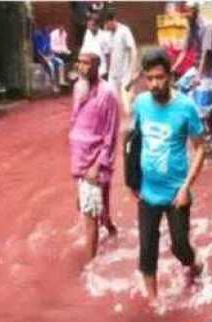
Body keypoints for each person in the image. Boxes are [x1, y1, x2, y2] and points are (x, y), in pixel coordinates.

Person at [130, 48, 206, 299]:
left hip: (176, 193)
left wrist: (186, 188)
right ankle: (153, 303)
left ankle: (194, 264)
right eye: (149, 78)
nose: (154, 84)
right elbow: (135, 141)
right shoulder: (140, 104)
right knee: (147, 251)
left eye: (159, 77)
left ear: (170, 76)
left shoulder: (186, 108)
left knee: (180, 247)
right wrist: (132, 181)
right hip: (147, 192)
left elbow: (200, 149)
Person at [69, 41, 120, 264]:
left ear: (97, 65)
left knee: (89, 218)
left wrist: (97, 165)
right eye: (79, 62)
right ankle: (112, 230)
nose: (81, 67)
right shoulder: (78, 88)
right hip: (79, 160)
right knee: (92, 207)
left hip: (94, 164)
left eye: (86, 63)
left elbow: (111, 134)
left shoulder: (108, 93)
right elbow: (76, 121)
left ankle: (89, 269)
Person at [171, 1, 212, 86]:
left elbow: (205, 54)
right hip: (197, 68)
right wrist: (174, 67)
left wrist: (198, 76)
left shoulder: (206, 27)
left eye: (188, 12)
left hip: (208, 71)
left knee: (200, 94)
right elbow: (184, 51)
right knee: (179, 85)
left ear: (195, 11)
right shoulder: (191, 26)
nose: (186, 16)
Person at [104, 11, 138, 114]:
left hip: (125, 72)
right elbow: (109, 53)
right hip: (113, 72)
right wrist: (107, 69)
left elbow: (133, 50)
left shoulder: (124, 31)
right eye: (105, 25)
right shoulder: (108, 33)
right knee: (110, 97)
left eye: (107, 24)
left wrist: (133, 70)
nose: (106, 27)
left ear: (113, 20)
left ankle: (132, 121)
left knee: (126, 100)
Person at [32, 26, 67, 92]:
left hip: (50, 56)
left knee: (61, 62)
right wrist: (45, 58)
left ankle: (61, 80)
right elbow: (38, 51)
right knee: (51, 66)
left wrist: (52, 55)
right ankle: (54, 85)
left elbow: (50, 49)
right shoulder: (37, 38)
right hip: (42, 57)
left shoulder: (47, 38)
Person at [82, 14, 111, 79]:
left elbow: (108, 55)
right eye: (88, 24)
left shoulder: (104, 36)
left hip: (100, 70)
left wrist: (107, 72)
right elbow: (83, 51)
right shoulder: (87, 33)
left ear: (97, 25)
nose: (88, 26)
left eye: (91, 24)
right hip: (88, 68)